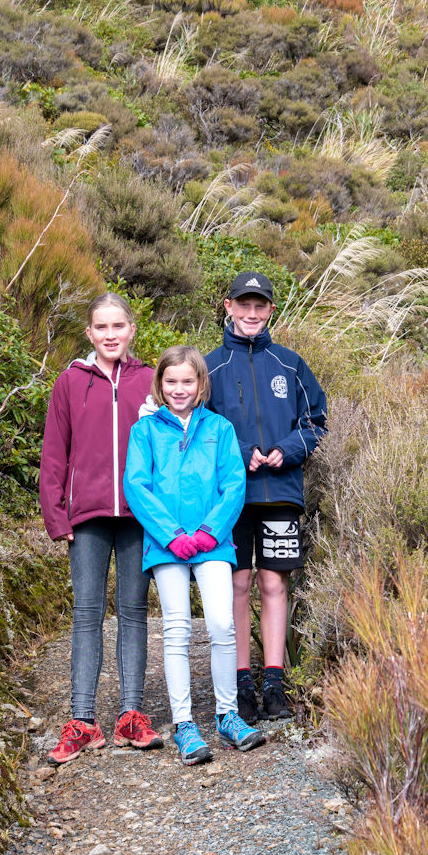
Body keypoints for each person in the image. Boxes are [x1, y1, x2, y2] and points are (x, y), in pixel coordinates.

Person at [124, 346, 265, 765]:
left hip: (213, 542)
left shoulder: (219, 429)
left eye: (188, 381)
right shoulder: (145, 431)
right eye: (171, 382)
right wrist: (171, 534)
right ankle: (184, 724)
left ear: (201, 384)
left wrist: (208, 532)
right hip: (166, 543)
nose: (179, 389)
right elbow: (137, 486)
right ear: (160, 384)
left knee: (221, 624)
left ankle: (227, 715)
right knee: (178, 628)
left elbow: (233, 485)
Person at [39, 294, 161, 764]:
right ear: (89, 334)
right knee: (86, 614)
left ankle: (131, 716)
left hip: (139, 516)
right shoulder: (70, 381)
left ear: (131, 329)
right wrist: (57, 515)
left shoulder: (148, 382)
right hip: (85, 517)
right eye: (101, 327)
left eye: (118, 326)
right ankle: (82, 722)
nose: (110, 334)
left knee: (133, 612)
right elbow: (55, 452)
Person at [205, 271, 327, 723]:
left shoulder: (291, 364)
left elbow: (315, 420)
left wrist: (286, 450)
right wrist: (239, 454)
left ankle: (273, 683)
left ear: (271, 310)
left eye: (260, 306)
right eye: (244, 304)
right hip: (230, 500)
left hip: (280, 495)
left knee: (274, 583)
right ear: (228, 306)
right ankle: (240, 684)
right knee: (237, 584)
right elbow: (198, 426)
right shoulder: (210, 366)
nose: (251, 313)